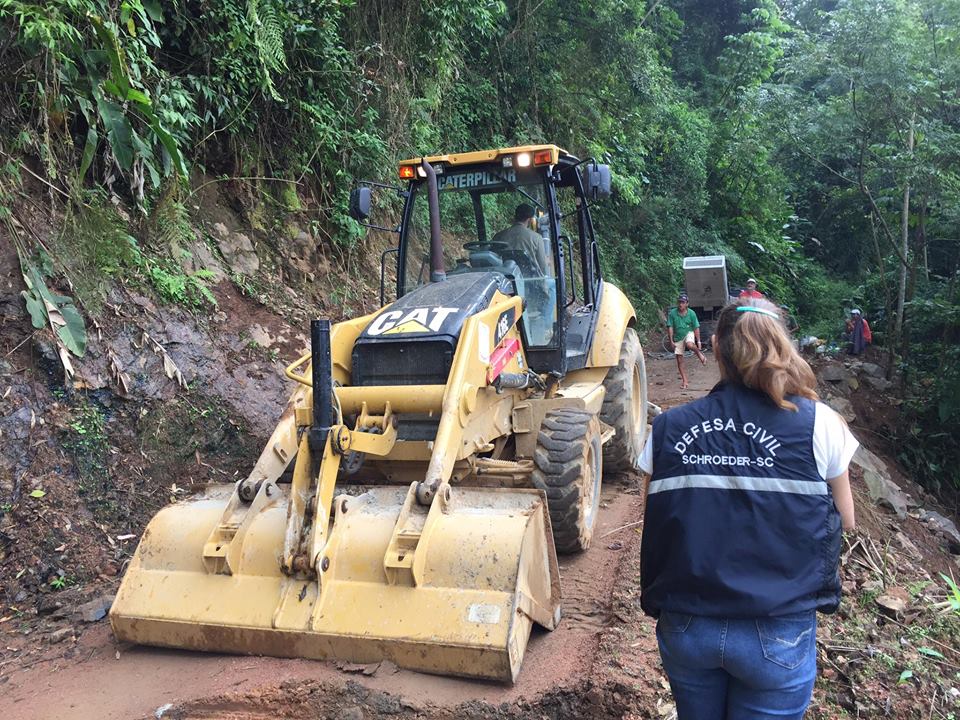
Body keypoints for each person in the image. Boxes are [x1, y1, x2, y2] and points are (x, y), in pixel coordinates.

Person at [637, 297, 858, 720]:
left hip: (687, 623)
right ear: (785, 349)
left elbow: (659, 513)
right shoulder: (821, 423)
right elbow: (846, 520)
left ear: (716, 348)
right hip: (777, 631)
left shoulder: (669, 426)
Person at [492, 204, 550, 275]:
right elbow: (542, 266)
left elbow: (493, 262)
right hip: (529, 282)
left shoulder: (498, 236)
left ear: (515, 216)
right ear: (529, 220)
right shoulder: (537, 238)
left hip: (504, 281)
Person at [667, 294, 706, 390]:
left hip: (689, 332)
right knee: (679, 360)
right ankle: (685, 381)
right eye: (679, 302)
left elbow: (696, 327)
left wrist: (699, 341)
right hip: (678, 337)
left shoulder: (691, 313)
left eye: (683, 302)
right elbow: (670, 327)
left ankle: (698, 353)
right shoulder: (672, 313)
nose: (681, 304)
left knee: (689, 344)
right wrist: (671, 341)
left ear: (687, 304)